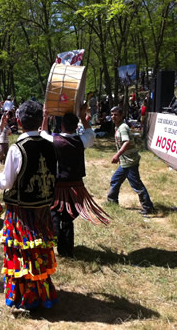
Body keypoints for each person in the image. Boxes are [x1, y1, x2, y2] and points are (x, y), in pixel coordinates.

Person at [0, 100, 58, 309]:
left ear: (19, 121)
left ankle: (25, 296)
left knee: (22, 252)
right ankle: (42, 292)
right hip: (42, 208)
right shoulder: (51, 144)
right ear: (40, 120)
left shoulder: (17, 149)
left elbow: (6, 183)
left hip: (21, 212)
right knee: (39, 251)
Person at [41, 106, 110, 257]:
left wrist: (45, 117)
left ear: (62, 125)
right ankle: (66, 249)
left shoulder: (55, 140)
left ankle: (54, 238)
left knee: (54, 211)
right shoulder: (81, 140)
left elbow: (42, 134)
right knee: (67, 217)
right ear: (75, 126)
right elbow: (90, 134)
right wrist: (83, 116)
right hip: (76, 187)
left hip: (59, 186)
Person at [107, 106, 155, 215]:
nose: (113, 117)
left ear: (121, 115)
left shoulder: (123, 127)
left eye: (116, 115)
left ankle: (148, 207)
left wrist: (117, 155)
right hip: (125, 162)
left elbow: (126, 142)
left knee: (136, 185)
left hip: (130, 162)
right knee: (115, 180)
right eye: (112, 114)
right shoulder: (118, 127)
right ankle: (112, 201)